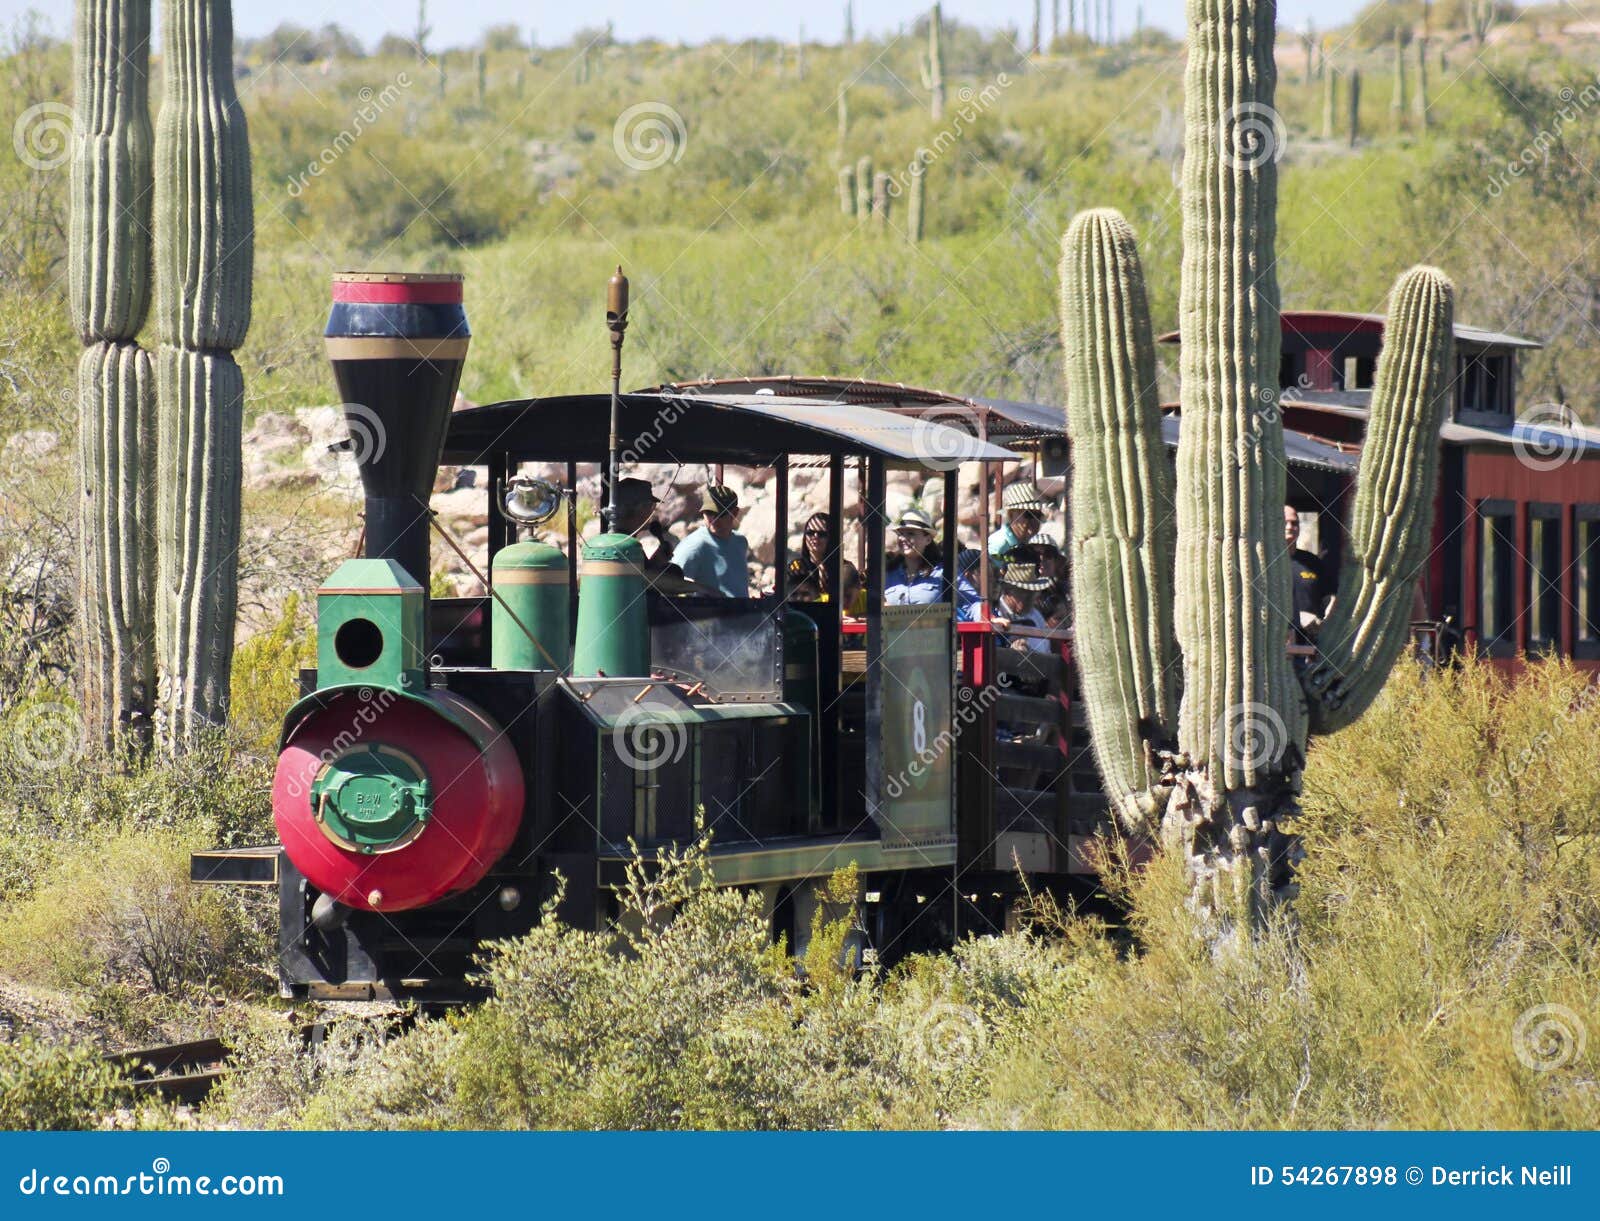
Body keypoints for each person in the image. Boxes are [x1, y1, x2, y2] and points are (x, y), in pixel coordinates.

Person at [609, 476, 705, 596]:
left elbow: (642, 573)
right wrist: (697, 587)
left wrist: (656, 561)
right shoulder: (621, 543)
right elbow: (642, 578)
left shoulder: (626, 539)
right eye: (651, 506)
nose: (652, 512)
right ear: (640, 508)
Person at [884, 505, 980, 620]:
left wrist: (989, 619)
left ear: (928, 539)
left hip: (934, 637)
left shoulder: (944, 572)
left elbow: (972, 602)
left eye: (910, 533)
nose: (903, 538)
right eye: (900, 534)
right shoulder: (888, 573)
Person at [673, 483, 750, 597]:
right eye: (709, 513)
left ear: (734, 513)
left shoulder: (740, 542)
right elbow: (670, 582)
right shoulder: (695, 545)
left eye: (720, 514)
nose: (714, 519)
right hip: (711, 613)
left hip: (744, 612)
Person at [1285, 504, 1332, 644]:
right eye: (1284, 522)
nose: (1289, 527)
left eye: (1294, 523)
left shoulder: (1312, 561)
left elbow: (1329, 596)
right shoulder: (1265, 563)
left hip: (1311, 643)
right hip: (1277, 646)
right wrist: (1298, 618)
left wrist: (1326, 619)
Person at [991, 555, 1055, 653]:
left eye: (1033, 593)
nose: (1030, 597)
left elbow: (1047, 651)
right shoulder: (996, 614)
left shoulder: (1036, 616)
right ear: (1007, 591)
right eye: (1024, 592)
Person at [988, 480, 1053, 566]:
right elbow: (994, 576)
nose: (1034, 521)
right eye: (1028, 515)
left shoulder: (1028, 545)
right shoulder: (999, 546)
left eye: (1038, 515)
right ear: (1011, 515)